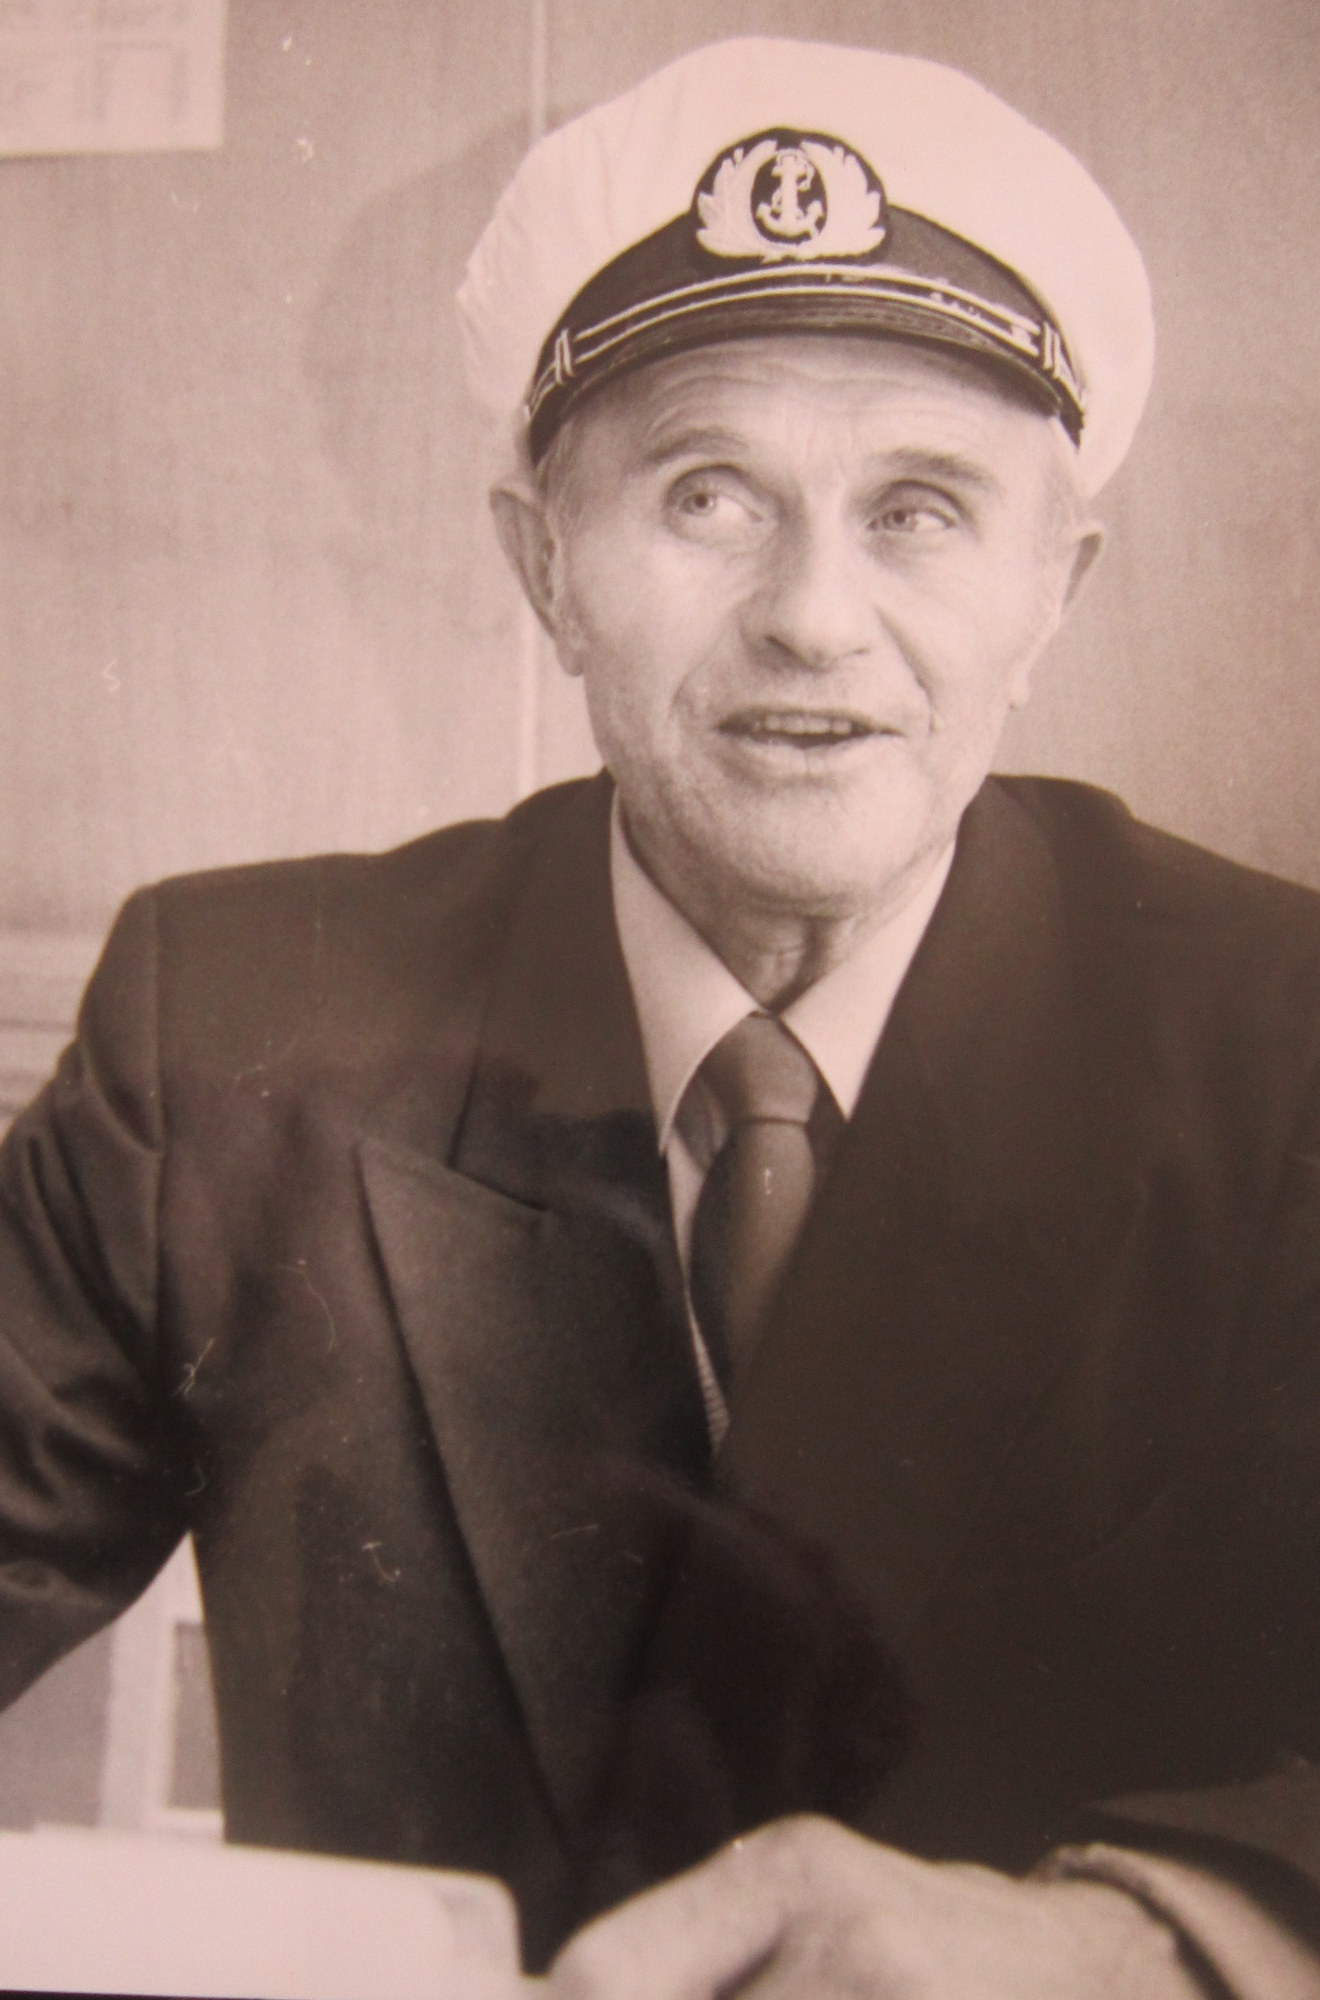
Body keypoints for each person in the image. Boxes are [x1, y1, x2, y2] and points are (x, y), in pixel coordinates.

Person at [1, 34, 1319, 1998]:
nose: (813, 616)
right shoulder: (238, 1020)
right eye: (708, 494)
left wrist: (1128, 1945)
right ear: (545, 566)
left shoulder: (1284, 1045)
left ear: (1055, 590)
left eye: (922, 509)